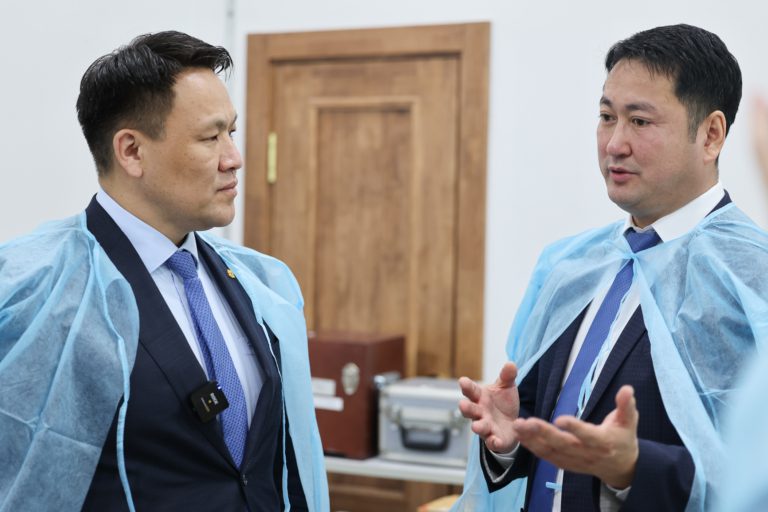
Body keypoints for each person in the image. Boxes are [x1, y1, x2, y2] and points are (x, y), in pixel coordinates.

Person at [0, 31, 329, 511]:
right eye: (210, 137)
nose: (234, 159)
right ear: (132, 151)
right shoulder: (31, 289)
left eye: (232, 133)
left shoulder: (259, 283)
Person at [453, 24, 768, 512]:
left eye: (639, 121)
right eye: (606, 117)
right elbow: (543, 425)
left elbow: (752, 470)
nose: (614, 143)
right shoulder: (572, 264)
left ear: (711, 135)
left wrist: (634, 469)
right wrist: (511, 439)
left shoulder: (751, 278)